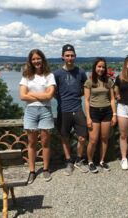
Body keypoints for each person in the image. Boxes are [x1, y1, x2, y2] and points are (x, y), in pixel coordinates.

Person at [19, 49, 56, 184]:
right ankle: (32, 171)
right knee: (32, 143)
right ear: (30, 61)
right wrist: (42, 96)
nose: (36, 61)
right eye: (33, 59)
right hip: (30, 112)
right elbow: (22, 96)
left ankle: (45, 169)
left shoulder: (49, 75)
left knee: (45, 142)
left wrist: (31, 95)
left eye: (38, 58)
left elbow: (49, 96)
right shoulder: (26, 76)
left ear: (42, 59)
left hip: (45, 110)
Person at [54, 44, 88, 176]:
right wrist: (60, 99)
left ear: (75, 56)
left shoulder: (80, 72)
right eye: (67, 55)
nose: (70, 57)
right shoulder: (56, 74)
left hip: (77, 108)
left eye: (72, 55)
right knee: (65, 137)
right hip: (63, 110)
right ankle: (69, 161)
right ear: (62, 56)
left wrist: (77, 96)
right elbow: (53, 91)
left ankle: (79, 160)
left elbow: (85, 89)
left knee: (82, 137)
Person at [84, 57, 117, 173]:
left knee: (104, 138)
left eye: (103, 67)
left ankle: (102, 161)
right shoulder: (89, 82)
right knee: (93, 140)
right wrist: (88, 117)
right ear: (95, 68)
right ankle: (90, 161)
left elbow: (112, 99)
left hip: (107, 111)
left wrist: (114, 114)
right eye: (99, 66)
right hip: (94, 112)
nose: (101, 69)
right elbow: (86, 100)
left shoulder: (108, 81)